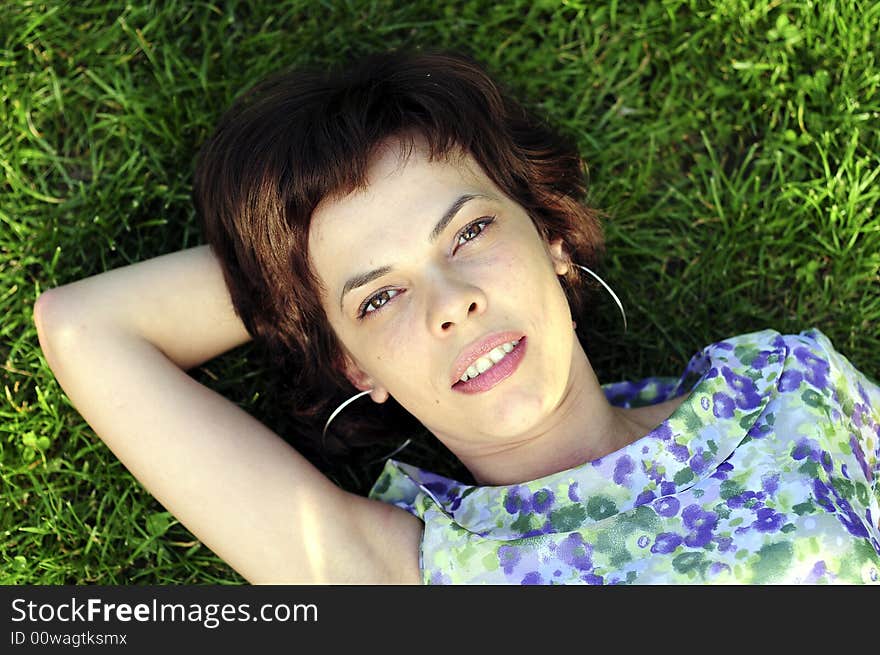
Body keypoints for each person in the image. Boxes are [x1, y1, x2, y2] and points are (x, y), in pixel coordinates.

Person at [34, 49, 879, 585]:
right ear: (353, 365)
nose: (453, 303)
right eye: (381, 297)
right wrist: (291, 273)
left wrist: (341, 264)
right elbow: (86, 327)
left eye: (468, 231)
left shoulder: (783, 389)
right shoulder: (401, 574)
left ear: (549, 237)